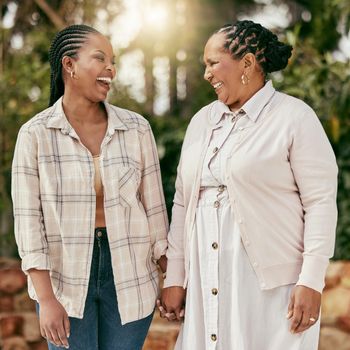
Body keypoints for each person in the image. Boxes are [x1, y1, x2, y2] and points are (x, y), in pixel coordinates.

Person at [159, 20, 338, 350]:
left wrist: (311, 281)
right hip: (205, 282)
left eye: (213, 63)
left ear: (247, 63)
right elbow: (183, 202)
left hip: (272, 290)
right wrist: (175, 277)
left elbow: (320, 203)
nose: (207, 74)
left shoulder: (294, 117)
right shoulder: (201, 122)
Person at [11, 24, 168, 350]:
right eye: (100, 59)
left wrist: (172, 280)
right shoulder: (35, 134)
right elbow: (28, 222)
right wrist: (46, 298)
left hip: (131, 275)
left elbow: (155, 211)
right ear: (69, 65)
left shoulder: (137, 129)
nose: (110, 69)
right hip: (64, 280)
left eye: (112, 61)